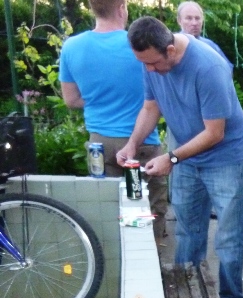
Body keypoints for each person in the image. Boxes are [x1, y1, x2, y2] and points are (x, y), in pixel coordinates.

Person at [118, 16, 243, 298]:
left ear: (171, 50)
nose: (150, 70)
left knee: (228, 236)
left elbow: (215, 133)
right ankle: (185, 294)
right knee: (188, 231)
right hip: (185, 156)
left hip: (224, 158)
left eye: (153, 63)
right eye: (144, 64)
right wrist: (132, 144)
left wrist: (172, 159)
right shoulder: (150, 60)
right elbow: (151, 107)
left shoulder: (208, 67)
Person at [59, 0, 168, 239]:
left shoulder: (72, 46)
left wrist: (99, 100)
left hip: (100, 145)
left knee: (111, 208)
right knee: (144, 210)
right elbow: (159, 97)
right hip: (139, 144)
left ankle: (113, 256)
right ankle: (147, 257)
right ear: (121, 8)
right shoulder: (140, 45)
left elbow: (71, 100)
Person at [176, 1, 233, 69]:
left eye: (197, 18)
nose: (194, 23)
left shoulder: (211, 46)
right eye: (189, 18)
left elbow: (227, 69)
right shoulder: (172, 46)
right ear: (179, 21)